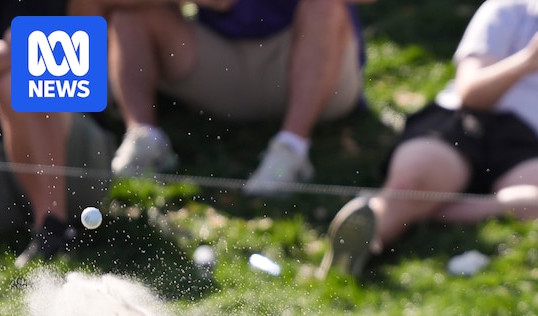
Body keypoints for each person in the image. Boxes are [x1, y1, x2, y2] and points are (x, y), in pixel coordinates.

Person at [318, 0, 538, 278]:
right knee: (416, 179)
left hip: (531, 146)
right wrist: (529, 61)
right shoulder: (506, 8)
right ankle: (360, 249)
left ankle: (430, 209)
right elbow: (471, 93)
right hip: (465, 122)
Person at [102, 0, 371, 196]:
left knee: (324, 5)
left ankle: (291, 151)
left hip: (312, 66)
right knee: (128, 11)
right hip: (226, 62)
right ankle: (138, 136)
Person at [0, 2, 115, 268]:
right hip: (6, 173)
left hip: (79, 163)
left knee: (18, 79)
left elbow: (33, 47)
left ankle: (52, 226)